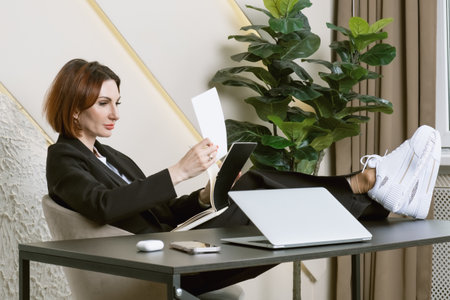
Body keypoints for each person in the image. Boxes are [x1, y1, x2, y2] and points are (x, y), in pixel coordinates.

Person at [44, 59, 441, 295]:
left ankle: (372, 194)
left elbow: (159, 210)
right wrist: (180, 170)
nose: (115, 113)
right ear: (74, 109)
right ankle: (365, 184)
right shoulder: (62, 159)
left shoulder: (110, 155)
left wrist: (201, 197)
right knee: (255, 187)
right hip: (153, 263)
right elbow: (103, 206)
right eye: (103, 103)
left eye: (117, 102)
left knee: (258, 192)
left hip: (173, 238)